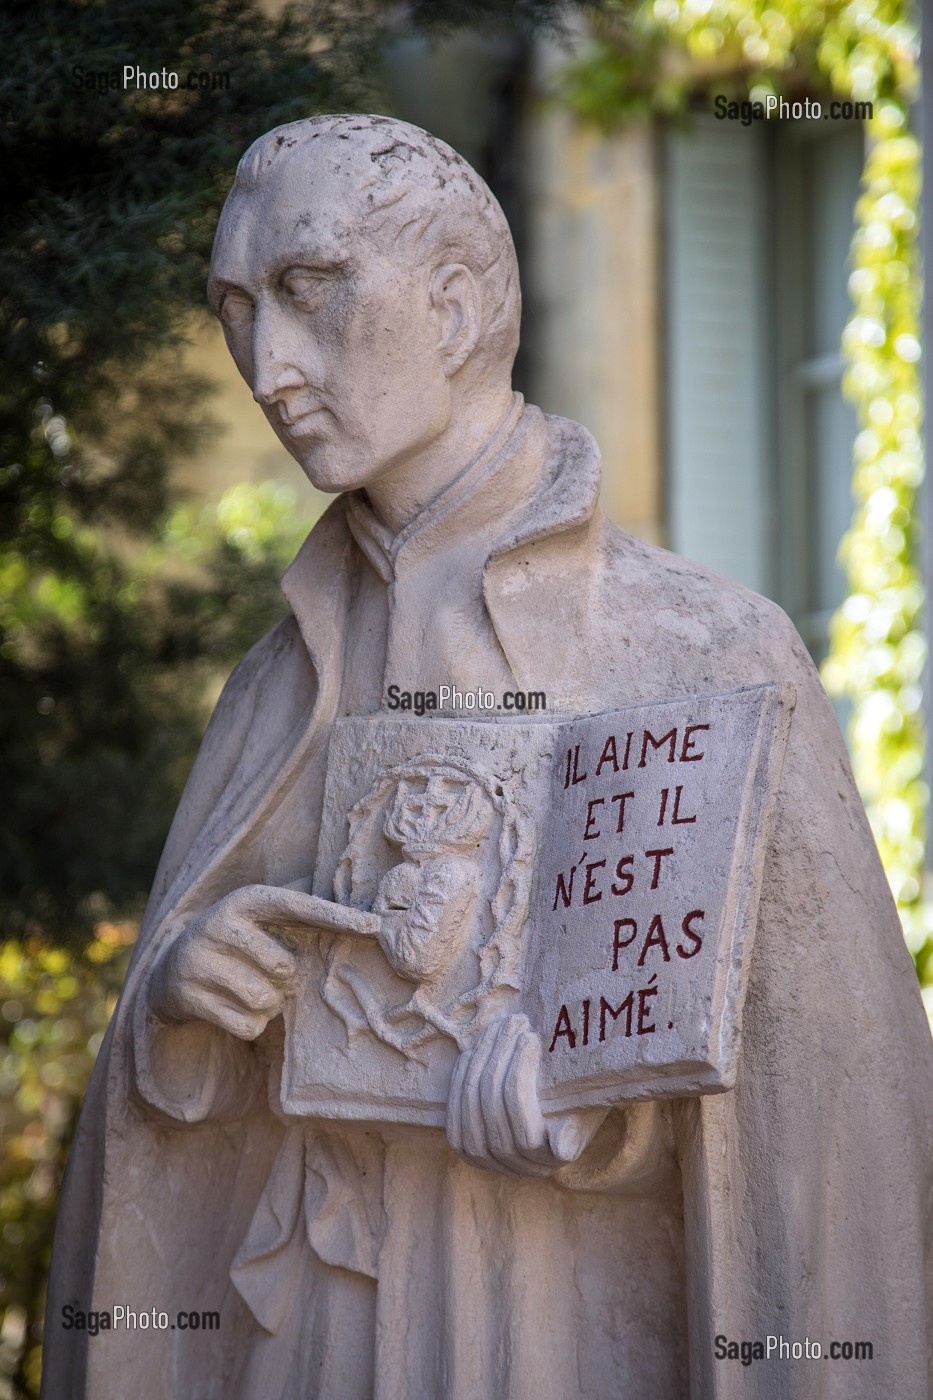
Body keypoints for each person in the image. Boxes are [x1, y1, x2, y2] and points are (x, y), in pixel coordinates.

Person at [45, 114, 932, 1400]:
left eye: (306, 289)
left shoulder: (700, 645)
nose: (265, 363)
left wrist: (608, 1109)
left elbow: (828, 1120)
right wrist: (181, 998)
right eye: (235, 308)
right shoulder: (281, 677)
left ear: (455, 306)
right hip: (320, 1336)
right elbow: (177, 1137)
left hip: (564, 1325)